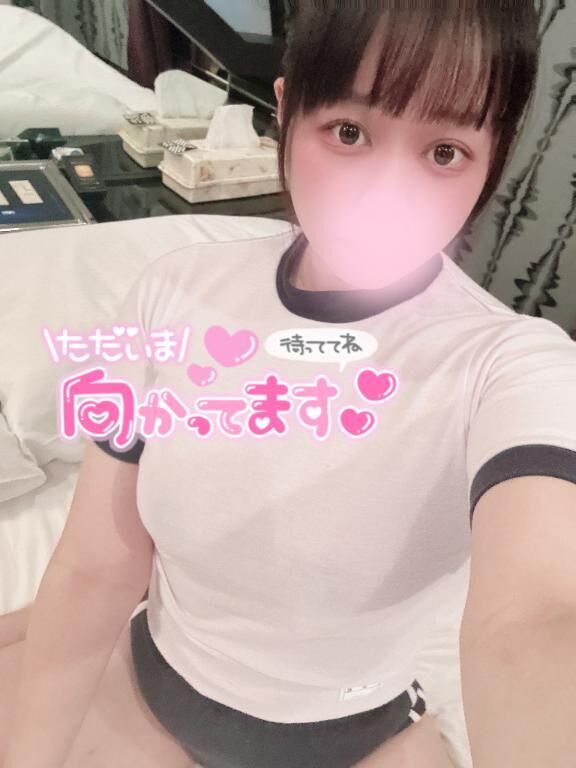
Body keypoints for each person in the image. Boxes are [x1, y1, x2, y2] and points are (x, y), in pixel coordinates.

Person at [6, 2, 576, 768]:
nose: (385, 197)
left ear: (493, 157)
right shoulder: (174, 292)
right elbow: (95, 566)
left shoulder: (508, 363)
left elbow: (536, 618)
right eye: (349, 132)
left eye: (444, 151)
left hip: (360, 740)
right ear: (285, 112)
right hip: (145, 686)